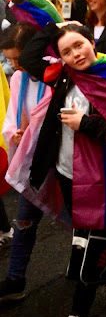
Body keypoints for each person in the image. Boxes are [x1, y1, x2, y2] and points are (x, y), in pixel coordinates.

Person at [18, 21, 106, 317]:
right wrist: (53, 29)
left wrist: (87, 124)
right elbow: (28, 58)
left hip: (102, 176)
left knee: (91, 241)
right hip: (67, 171)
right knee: (86, 232)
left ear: (91, 41)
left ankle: (78, 313)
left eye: (79, 44)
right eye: (66, 51)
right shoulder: (65, 74)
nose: (75, 54)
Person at [0, 21, 50, 302]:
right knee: (24, 221)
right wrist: (16, 133)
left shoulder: (54, 74)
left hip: (57, 161)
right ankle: (15, 278)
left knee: (81, 221)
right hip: (32, 161)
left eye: (18, 59)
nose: (15, 66)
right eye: (9, 61)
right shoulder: (18, 78)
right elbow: (13, 117)